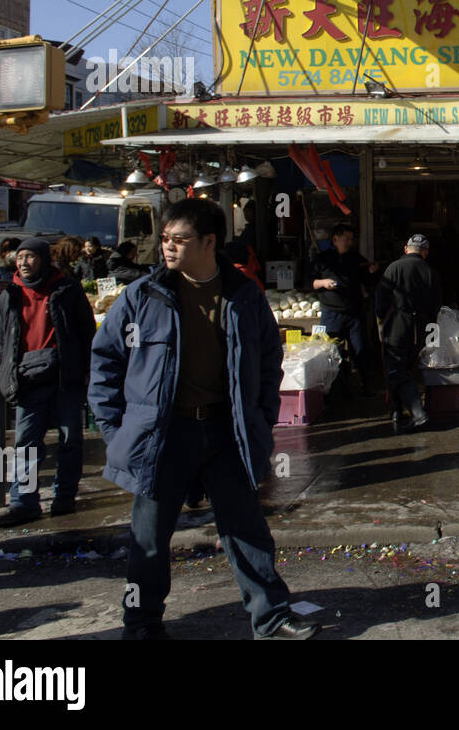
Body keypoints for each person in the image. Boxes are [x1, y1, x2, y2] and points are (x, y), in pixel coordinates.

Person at [89, 198, 319, 640]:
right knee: (150, 537)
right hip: (162, 434)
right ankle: (141, 623)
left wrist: (260, 417)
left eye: (180, 239)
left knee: (246, 528)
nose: (168, 248)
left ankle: (271, 618)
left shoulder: (244, 295)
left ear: (210, 242)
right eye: (165, 240)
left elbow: (270, 362)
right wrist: (116, 431)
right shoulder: (144, 296)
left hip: (224, 429)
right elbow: (104, 363)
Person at [0, 237, 96, 527]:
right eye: (20, 257)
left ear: (43, 259)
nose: (24, 262)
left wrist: (85, 370)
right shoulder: (9, 294)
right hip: (27, 379)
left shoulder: (67, 289)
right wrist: (1, 373)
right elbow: (1, 341)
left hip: (65, 378)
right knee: (26, 443)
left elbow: (86, 331)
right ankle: (23, 502)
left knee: (70, 440)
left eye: (30, 257)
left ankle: (65, 496)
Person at [376, 234, 443, 432]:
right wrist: (430, 327)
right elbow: (436, 304)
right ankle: (396, 411)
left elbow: (381, 298)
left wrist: (381, 318)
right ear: (425, 252)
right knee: (404, 369)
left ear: (406, 249)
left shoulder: (393, 268)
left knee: (396, 370)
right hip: (421, 327)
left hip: (396, 325)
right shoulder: (430, 271)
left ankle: (417, 412)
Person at [312, 223, 380, 392]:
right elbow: (311, 282)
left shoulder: (356, 258)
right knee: (333, 352)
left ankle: (367, 387)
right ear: (335, 239)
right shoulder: (323, 259)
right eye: (346, 238)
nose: (350, 242)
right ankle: (337, 389)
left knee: (361, 349)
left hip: (354, 313)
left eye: (351, 238)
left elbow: (369, 281)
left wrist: (372, 271)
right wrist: (324, 282)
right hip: (331, 313)